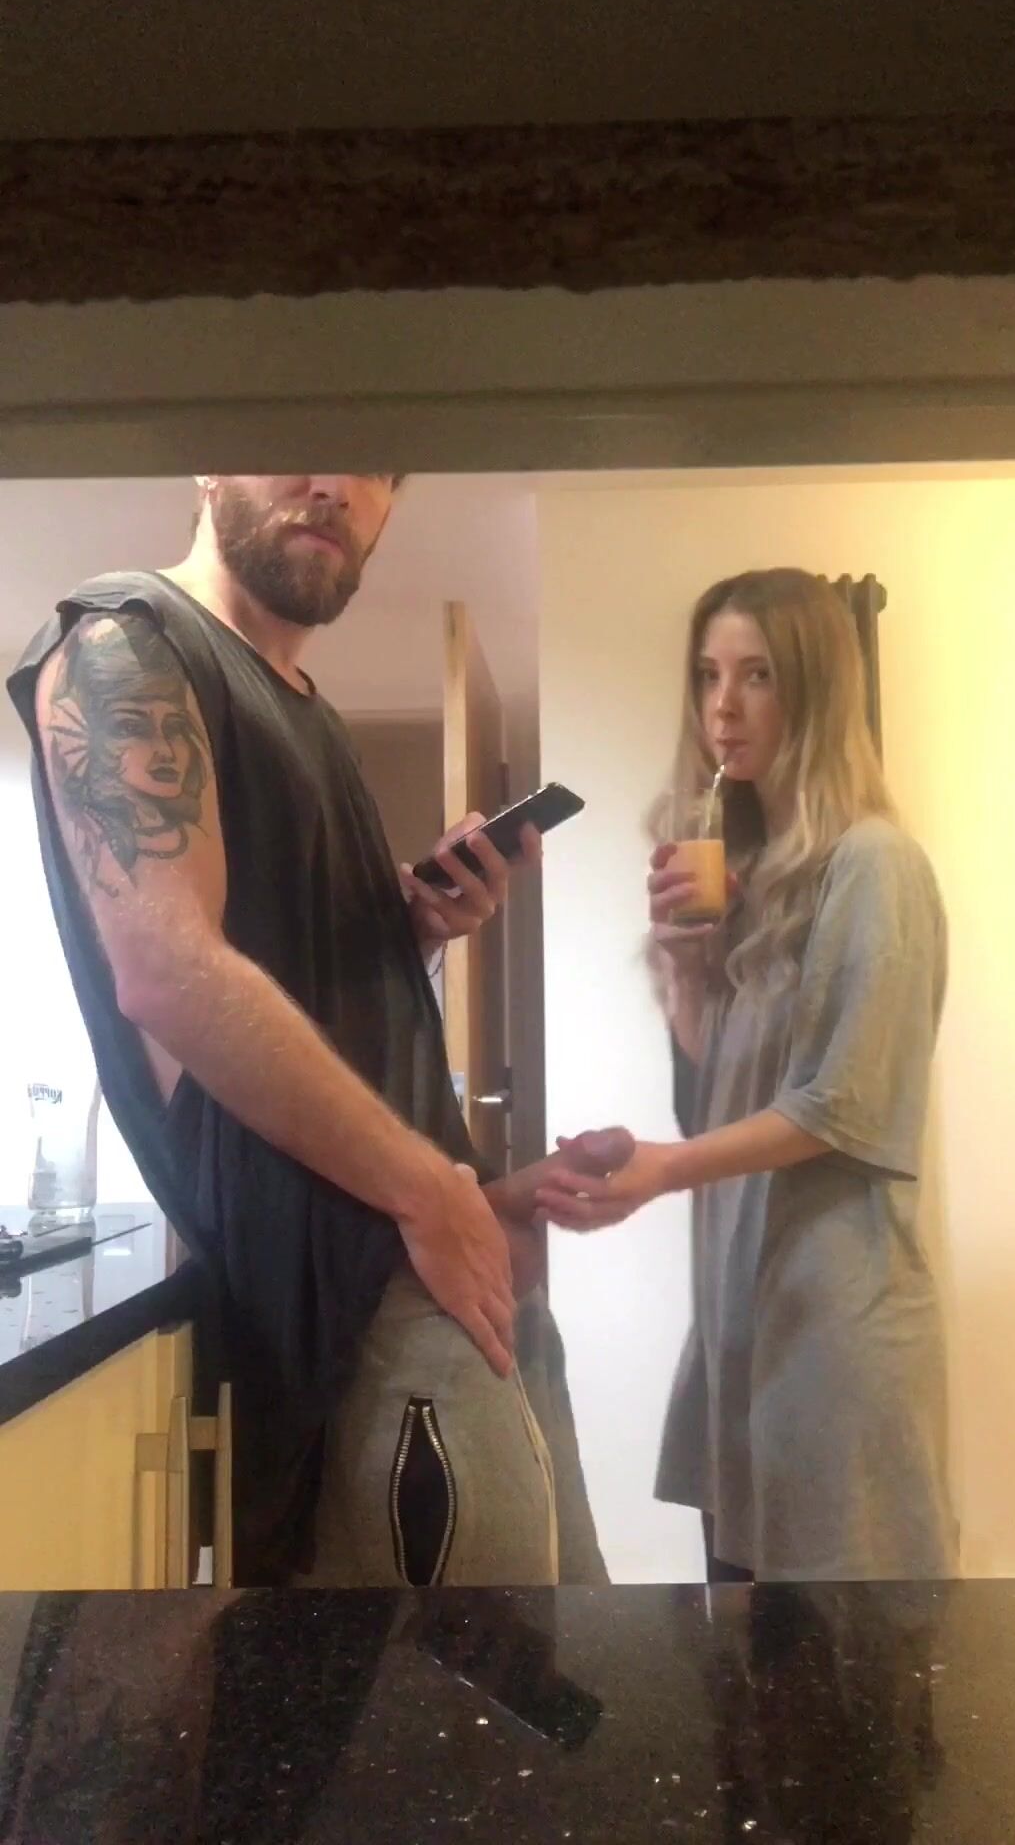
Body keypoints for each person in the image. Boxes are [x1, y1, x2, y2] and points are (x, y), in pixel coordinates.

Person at [8, 472, 622, 1585]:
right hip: (358, 1312)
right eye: (300, 431)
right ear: (209, 462)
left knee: (556, 1654)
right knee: (464, 1683)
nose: (337, 482)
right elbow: (169, 973)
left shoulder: (310, 713)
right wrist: (429, 1191)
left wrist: (415, 933)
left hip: (439, 1267)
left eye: (375, 464)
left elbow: (301, 996)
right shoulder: (123, 643)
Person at [538, 568, 957, 1582]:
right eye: (708, 674)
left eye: (758, 675)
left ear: (815, 691)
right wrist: (688, 964)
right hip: (742, 1322)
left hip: (834, 1331)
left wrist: (660, 1169)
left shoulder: (875, 863)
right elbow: (714, 1095)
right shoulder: (756, 881)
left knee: (853, 1657)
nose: (722, 707)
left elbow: (841, 1107)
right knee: (746, 1655)